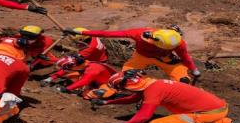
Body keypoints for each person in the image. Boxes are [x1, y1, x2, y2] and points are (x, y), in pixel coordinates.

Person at [91, 70, 240, 123]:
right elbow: (133, 99)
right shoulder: (151, 84)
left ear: (129, 85)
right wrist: (106, 102)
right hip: (217, 109)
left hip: (207, 113)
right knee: (190, 116)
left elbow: (143, 116)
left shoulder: (153, 91)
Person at [64, 26, 200, 84]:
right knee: (126, 77)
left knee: (183, 80)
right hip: (141, 57)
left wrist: (194, 70)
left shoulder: (178, 43)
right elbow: (108, 34)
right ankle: (145, 88)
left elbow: (185, 57)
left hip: (165, 59)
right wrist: (82, 32)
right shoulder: (139, 33)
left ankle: (174, 93)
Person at [41, 55, 116, 97]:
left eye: (68, 68)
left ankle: (79, 92)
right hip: (92, 79)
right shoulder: (81, 64)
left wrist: (66, 89)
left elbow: (83, 81)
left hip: (105, 84)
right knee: (71, 76)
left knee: (89, 94)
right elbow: (63, 62)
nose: (64, 69)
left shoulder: (92, 70)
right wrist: (48, 59)